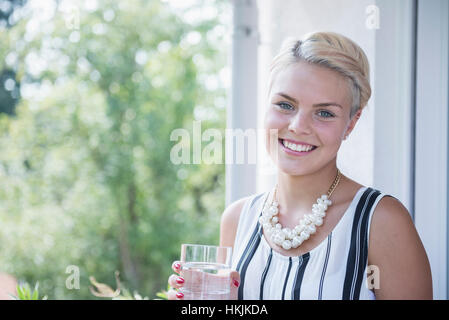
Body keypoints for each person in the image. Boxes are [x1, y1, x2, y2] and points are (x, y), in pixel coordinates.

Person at [167, 31, 433, 300]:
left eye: (324, 113)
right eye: (285, 105)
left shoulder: (381, 221)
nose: (297, 127)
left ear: (351, 123)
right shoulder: (237, 220)